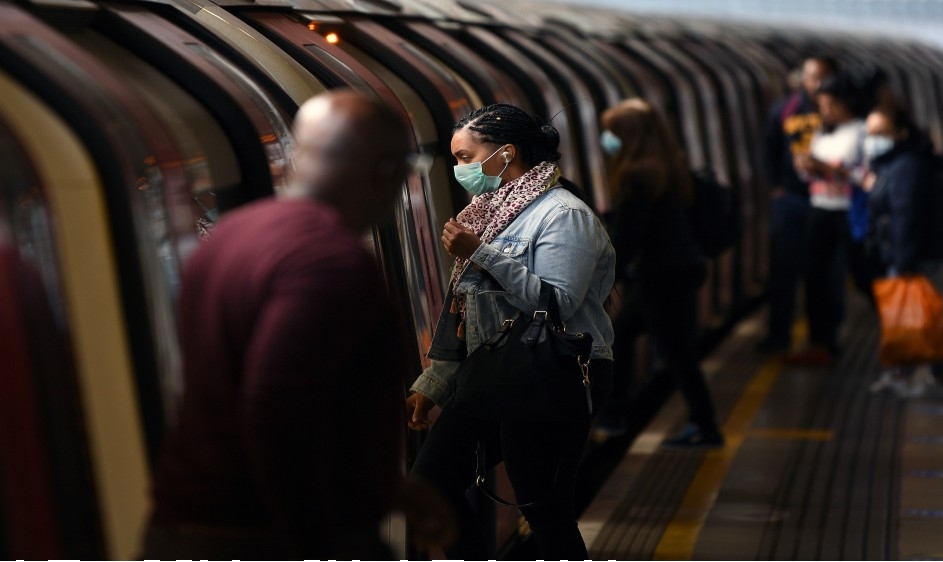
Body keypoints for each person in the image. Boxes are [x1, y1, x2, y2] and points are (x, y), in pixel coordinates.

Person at [143, 89, 441, 560]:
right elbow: (277, 401)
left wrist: (387, 490)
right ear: (386, 173)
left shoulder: (231, 236)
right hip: (261, 534)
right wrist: (316, 542)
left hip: (193, 523)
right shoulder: (329, 261)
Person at [405, 103, 616, 560]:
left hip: (552, 375)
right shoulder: (492, 212)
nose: (460, 169)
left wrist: (481, 253)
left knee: (545, 508)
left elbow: (557, 303)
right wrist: (436, 384)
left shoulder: (563, 215)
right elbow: (466, 312)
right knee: (428, 486)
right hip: (496, 372)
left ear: (505, 154)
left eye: (465, 158)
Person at [594, 98, 724, 449]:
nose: (607, 139)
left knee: (676, 353)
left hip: (662, 275)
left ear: (628, 135)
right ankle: (616, 414)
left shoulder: (639, 175)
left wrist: (605, 277)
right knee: (633, 338)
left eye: (612, 132)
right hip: (680, 268)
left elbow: (630, 237)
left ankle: (705, 427)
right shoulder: (669, 163)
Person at [863, 104, 943, 398]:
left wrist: (903, 260)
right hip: (916, 250)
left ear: (901, 133)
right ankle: (940, 377)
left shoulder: (907, 166)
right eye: (870, 133)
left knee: (908, 316)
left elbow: (906, 214)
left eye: (880, 133)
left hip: (912, 252)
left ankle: (901, 376)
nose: (873, 139)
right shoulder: (899, 163)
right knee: (925, 315)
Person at [758, 54, 838, 355]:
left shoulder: (838, 110)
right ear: (802, 79)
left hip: (827, 202)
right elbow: (768, 147)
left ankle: (824, 339)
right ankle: (779, 336)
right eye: (812, 77)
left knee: (825, 274)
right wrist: (777, 187)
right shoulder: (786, 108)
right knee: (784, 273)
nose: (816, 84)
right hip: (792, 200)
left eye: (823, 77)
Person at [787, 72, 868, 365]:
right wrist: (806, 167)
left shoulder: (862, 131)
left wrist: (831, 168)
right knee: (814, 275)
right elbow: (813, 172)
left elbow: (868, 176)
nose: (826, 110)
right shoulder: (823, 132)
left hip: (851, 209)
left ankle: (893, 328)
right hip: (821, 206)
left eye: (831, 104)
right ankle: (821, 341)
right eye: (822, 104)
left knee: (862, 273)